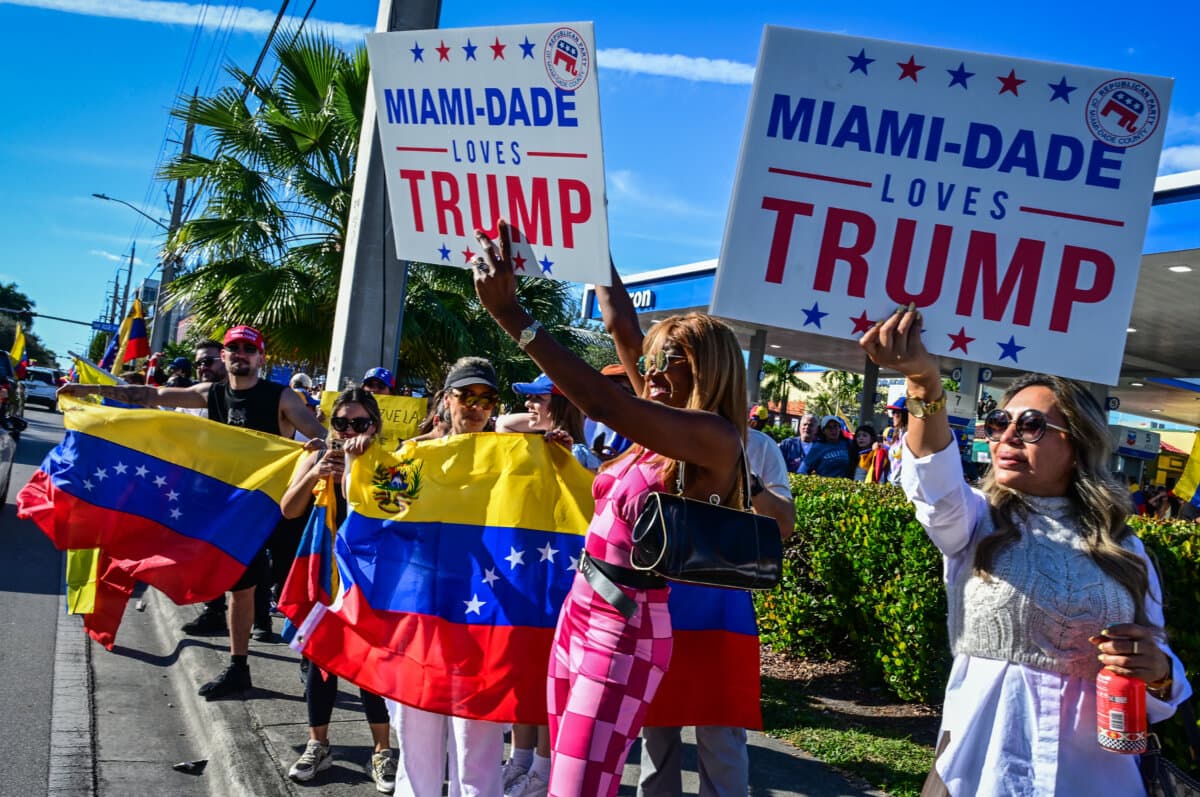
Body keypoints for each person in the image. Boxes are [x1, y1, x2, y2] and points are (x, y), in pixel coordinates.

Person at [860, 305, 1191, 795]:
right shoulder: (975, 521)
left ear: (1077, 445)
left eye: (1032, 425)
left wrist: (1160, 673)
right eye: (998, 422)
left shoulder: (1125, 548)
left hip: (1095, 779)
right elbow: (932, 478)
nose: (1007, 436)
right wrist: (923, 381)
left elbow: (1160, 672)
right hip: (980, 770)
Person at [473, 221, 745, 797]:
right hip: (580, 607)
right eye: (647, 360)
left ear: (704, 367)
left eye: (666, 359)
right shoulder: (658, 417)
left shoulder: (713, 438)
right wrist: (590, 239)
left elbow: (596, 398)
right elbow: (621, 321)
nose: (648, 371)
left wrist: (511, 316)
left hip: (626, 627)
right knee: (561, 782)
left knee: (577, 788)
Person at [59, 324, 327, 698]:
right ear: (225, 355)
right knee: (241, 587)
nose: (240, 355)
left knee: (293, 586)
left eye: (248, 349)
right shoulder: (211, 394)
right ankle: (238, 668)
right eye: (233, 349)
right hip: (235, 511)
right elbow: (150, 395)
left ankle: (309, 658)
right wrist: (89, 391)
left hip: (281, 507)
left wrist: (322, 453)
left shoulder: (282, 398)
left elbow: (321, 440)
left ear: (261, 357)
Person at [638, 420, 793, 797]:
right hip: (663, 593)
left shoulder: (759, 446)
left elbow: (784, 524)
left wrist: (748, 481)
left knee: (721, 729)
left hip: (725, 601)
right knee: (656, 726)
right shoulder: (663, 433)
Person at [391, 356, 509, 797]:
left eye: (487, 398)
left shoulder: (514, 460)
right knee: (416, 735)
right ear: (446, 399)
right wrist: (357, 464)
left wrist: (551, 455)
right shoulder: (413, 456)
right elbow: (381, 514)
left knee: (477, 740)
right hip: (421, 609)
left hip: (485, 614)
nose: (476, 406)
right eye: (467, 395)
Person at [280, 388, 396, 793]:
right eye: (341, 423)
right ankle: (318, 744)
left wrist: (359, 466)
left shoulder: (387, 462)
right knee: (319, 660)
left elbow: (397, 512)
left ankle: (382, 751)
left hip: (370, 577)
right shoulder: (315, 456)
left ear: (375, 426)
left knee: (370, 664)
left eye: (359, 423)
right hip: (323, 573)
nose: (349, 430)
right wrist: (315, 473)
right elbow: (288, 508)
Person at [500, 371, 601, 796]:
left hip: (571, 574)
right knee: (527, 664)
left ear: (560, 403)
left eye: (537, 399)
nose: (528, 406)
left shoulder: (592, 451)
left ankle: (544, 767)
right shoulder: (538, 435)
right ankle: (520, 758)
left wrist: (574, 450)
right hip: (531, 570)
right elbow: (503, 425)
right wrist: (546, 429)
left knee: (552, 673)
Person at [885, 397, 909, 485]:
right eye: (893, 412)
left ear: (905, 415)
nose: (893, 415)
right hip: (892, 481)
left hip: (903, 484)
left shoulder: (910, 436)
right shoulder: (896, 434)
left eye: (897, 412)